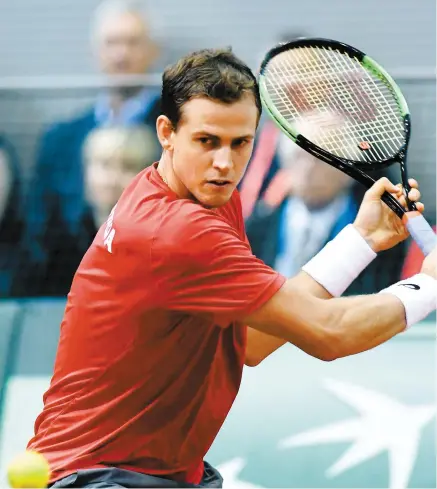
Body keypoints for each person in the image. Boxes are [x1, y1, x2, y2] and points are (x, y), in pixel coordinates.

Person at [26, 48, 436, 489]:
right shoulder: (176, 229)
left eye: (241, 143)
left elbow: (250, 342)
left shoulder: (205, 198)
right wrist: (428, 285)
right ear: (167, 132)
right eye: (207, 141)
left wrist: (360, 242)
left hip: (158, 473)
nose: (225, 163)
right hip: (98, 475)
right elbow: (330, 333)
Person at [16, 0, 162, 297]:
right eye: (112, 43)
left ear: (153, 50)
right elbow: (38, 236)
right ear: (95, 51)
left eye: (133, 42)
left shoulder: (177, 133)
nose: (122, 54)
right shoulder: (59, 140)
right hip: (66, 294)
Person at [246, 117, 407, 295]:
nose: (307, 169)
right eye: (298, 156)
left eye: (320, 159)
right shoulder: (254, 229)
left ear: (347, 169)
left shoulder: (380, 237)